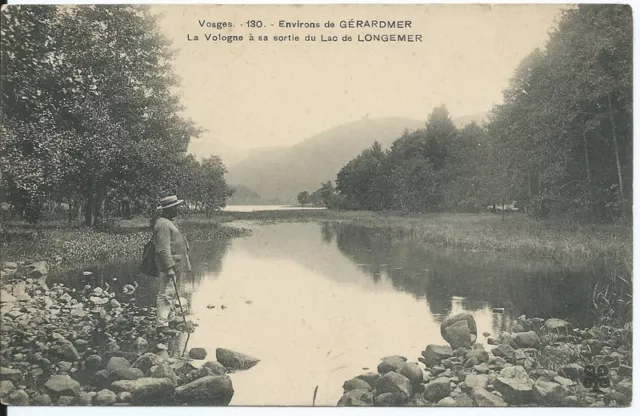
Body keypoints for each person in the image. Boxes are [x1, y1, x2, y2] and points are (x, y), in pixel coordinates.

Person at [153, 195, 191, 335]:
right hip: (170, 265)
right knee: (166, 294)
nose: (177, 209)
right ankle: (161, 325)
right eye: (175, 207)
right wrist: (168, 267)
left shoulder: (167, 222)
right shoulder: (163, 224)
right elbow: (163, 248)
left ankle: (171, 319)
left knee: (173, 292)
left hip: (176, 264)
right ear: (168, 209)